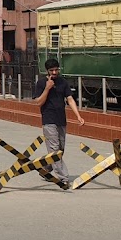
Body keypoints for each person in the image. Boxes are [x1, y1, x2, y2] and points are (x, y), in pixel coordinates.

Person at [33, 58, 85, 189]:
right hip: (48, 120)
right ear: (47, 71)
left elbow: (70, 99)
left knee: (60, 150)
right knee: (55, 150)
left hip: (61, 120)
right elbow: (38, 102)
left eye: (56, 70)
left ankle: (45, 170)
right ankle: (63, 178)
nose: (55, 72)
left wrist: (78, 116)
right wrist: (47, 88)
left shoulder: (63, 82)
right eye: (52, 70)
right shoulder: (41, 83)